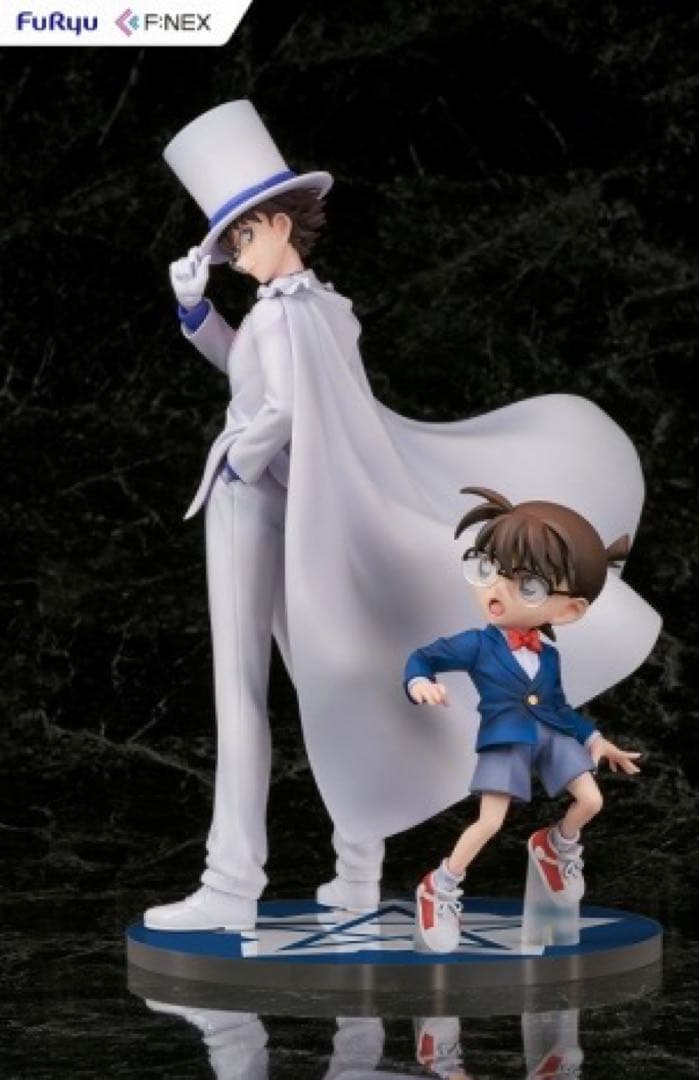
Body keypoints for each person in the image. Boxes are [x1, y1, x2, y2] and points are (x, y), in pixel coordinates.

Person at [144, 100, 660, 932]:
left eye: (239, 239)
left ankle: (232, 883)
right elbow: (268, 379)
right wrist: (199, 317)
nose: (235, 256)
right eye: (227, 246)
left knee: (247, 686)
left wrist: (239, 458)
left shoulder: (284, 314)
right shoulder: (322, 308)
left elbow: (276, 406)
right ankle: (355, 870)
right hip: (308, 502)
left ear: (278, 224)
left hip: (257, 497)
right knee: (335, 670)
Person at [405, 488, 642, 953]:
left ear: (569, 609)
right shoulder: (478, 644)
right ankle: (440, 886)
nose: (497, 589)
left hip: (551, 736)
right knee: (490, 822)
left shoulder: (548, 656)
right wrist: (419, 683)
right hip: (507, 738)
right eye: (487, 568)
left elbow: (558, 707)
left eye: (527, 586)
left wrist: (594, 738)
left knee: (591, 800)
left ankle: (555, 846)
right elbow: (423, 657)